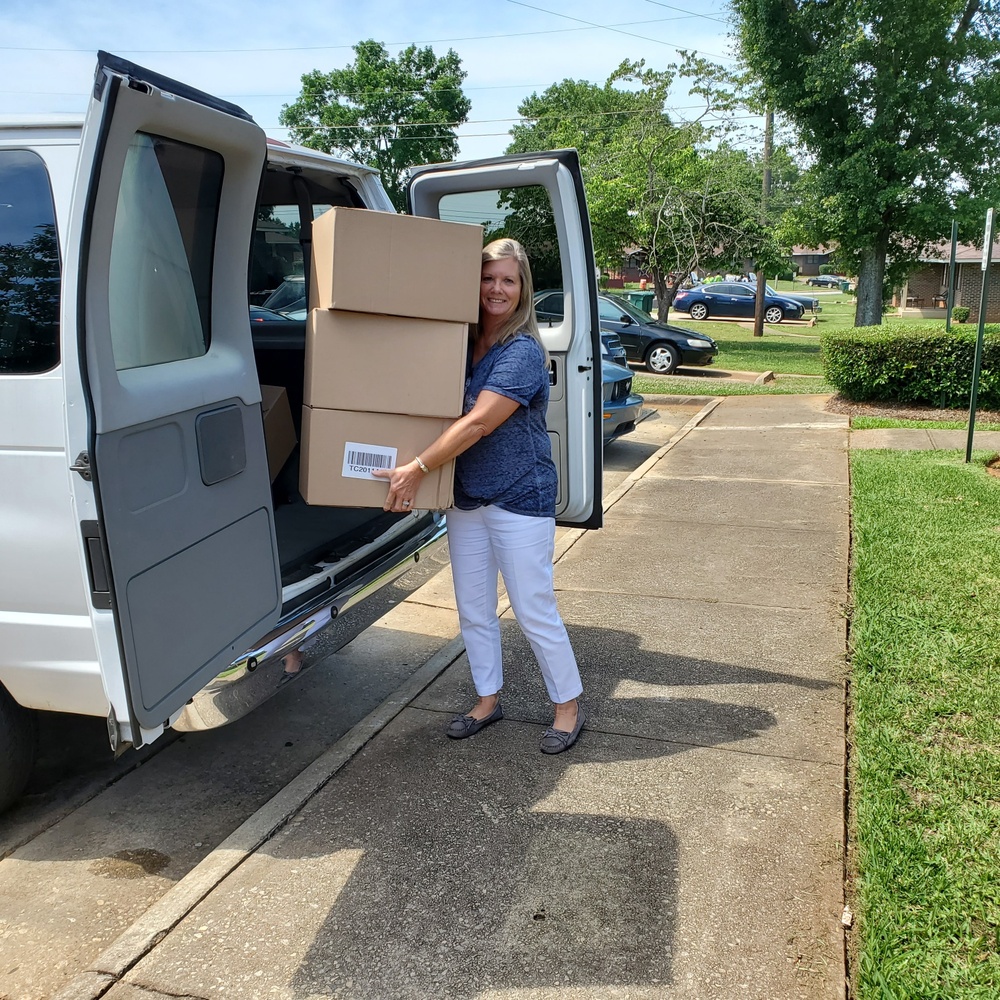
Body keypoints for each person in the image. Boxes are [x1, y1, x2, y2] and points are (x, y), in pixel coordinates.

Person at [373, 238, 585, 754]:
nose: (496, 289)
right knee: (472, 607)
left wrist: (416, 469)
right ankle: (488, 699)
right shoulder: (459, 343)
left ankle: (568, 707)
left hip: (519, 497)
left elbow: (478, 424)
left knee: (533, 607)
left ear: (522, 289)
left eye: (508, 280)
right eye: (488, 278)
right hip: (466, 497)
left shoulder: (524, 351)